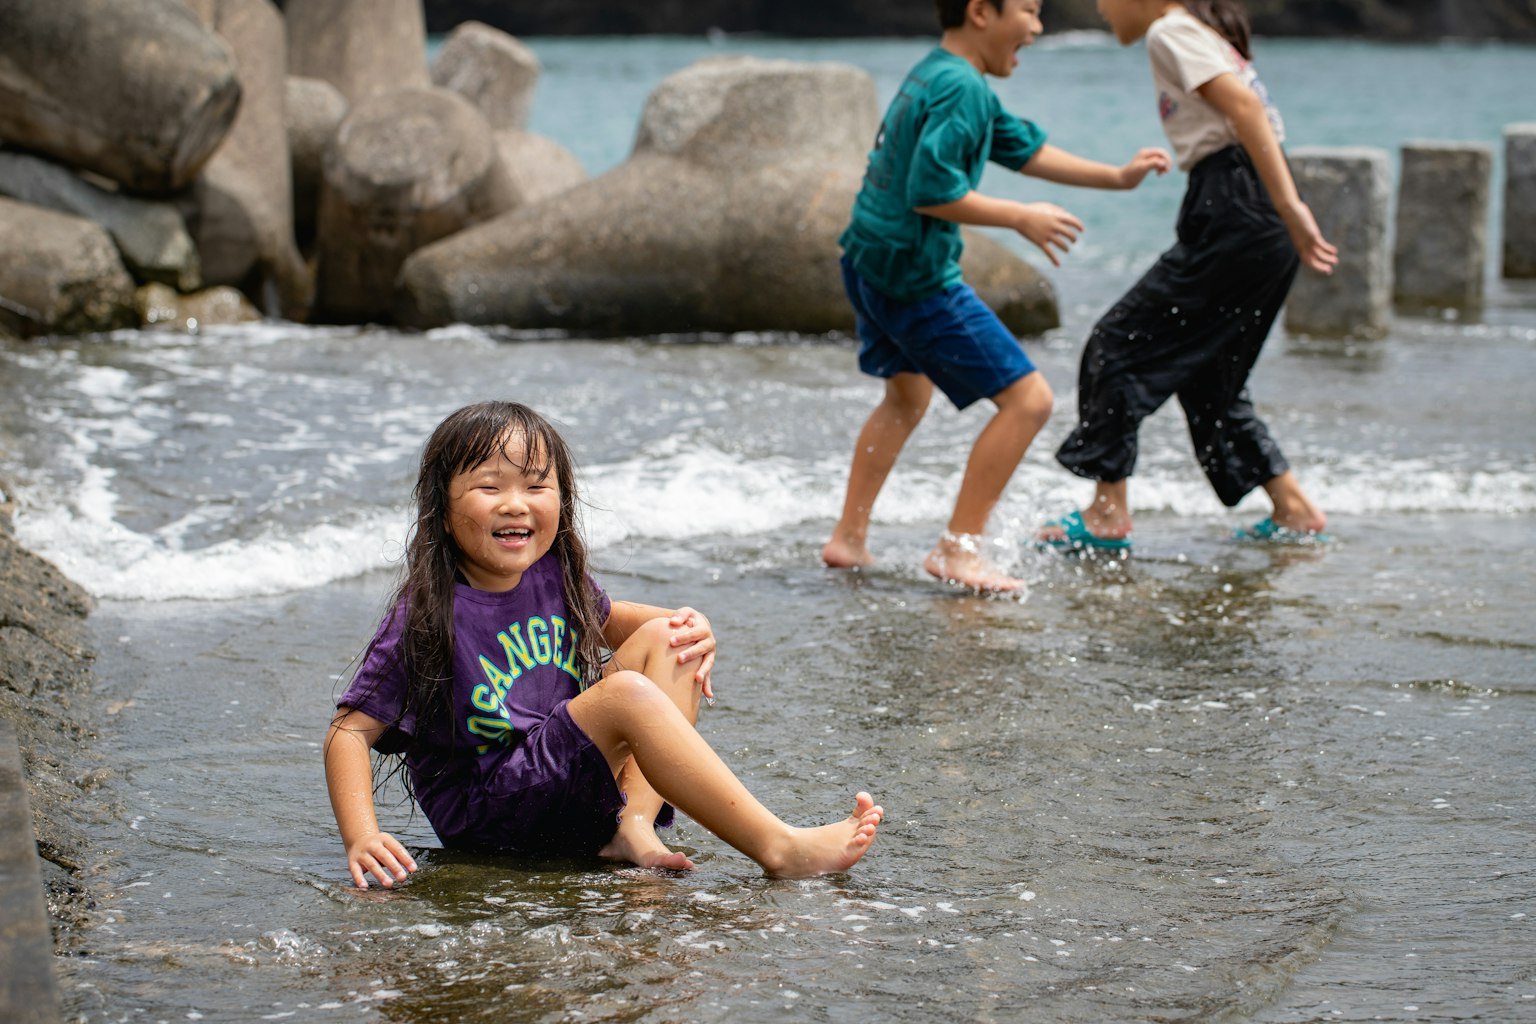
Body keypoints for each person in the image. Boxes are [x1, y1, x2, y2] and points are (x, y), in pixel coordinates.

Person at [325, 401, 882, 888]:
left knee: (670, 638)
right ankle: (780, 848)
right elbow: (348, 732)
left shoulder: (551, 576)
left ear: (562, 500)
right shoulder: (426, 616)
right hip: (493, 814)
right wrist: (362, 835)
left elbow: (625, 620)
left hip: (561, 784)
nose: (516, 504)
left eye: (536, 486)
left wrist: (694, 624)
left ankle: (631, 827)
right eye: (490, 487)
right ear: (442, 511)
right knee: (627, 695)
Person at [822, 0, 1171, 593]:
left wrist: (1116, 177)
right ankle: (958, 548)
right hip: (914, 277)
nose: (1037, 27)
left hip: (867, 259)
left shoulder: (938, 72)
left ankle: (849, 537)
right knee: (1029, 401)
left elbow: (1023, 149)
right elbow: (930, 190)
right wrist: (1019, 217)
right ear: (981, 11)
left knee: (905, 397)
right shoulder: (962, 88)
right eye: (1029, 10)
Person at [1037, 0, 1338, 554]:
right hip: (1250, 212)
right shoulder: (1196, 30)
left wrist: (1291, 207)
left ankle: (1107, 513)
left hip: (1238, 207)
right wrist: (1283, 209)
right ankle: (1293, 508)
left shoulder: (1169, 30)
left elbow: (1244, 108)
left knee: (1116, 345)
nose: (1100, 7)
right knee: (1210, 377)